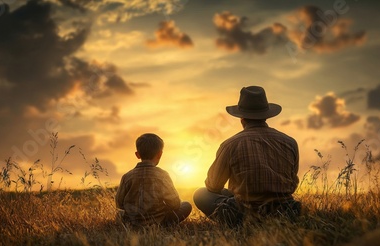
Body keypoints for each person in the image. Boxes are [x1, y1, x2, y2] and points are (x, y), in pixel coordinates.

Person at [193, 86, 301, 227]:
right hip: (285, 212)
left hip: (244, 214)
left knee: (200, 194)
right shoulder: (290, 142)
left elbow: (213, 186)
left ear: (241, 118)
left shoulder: (230, 144)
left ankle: (240, 223)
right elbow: (293, 182)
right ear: (266, 116)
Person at [116, 133, 192, 226]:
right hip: (159, 222)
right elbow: (175, 204)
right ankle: (165, 224)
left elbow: (119, 204)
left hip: (132, 223)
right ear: (160, 154)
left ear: (137, 154)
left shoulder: (127, 176)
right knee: (186, 205)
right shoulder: (163, 175)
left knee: (120, 214)